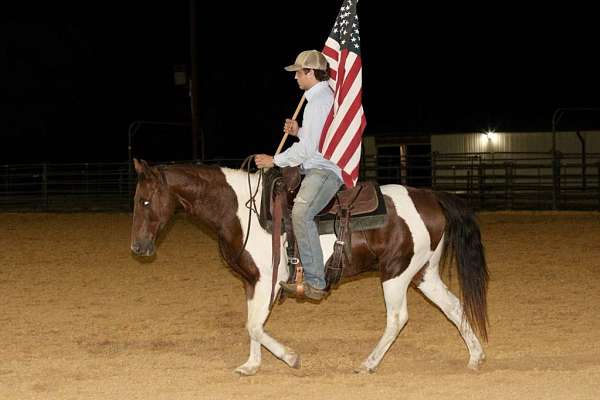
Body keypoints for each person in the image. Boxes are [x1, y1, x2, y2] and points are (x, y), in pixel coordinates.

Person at [254, 49, 343, 301]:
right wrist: (299, 130)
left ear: (310, 72)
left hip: (324, 169)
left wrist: (275, 160)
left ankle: (315, 280)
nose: (295, 78)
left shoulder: (319, 101)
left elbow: (308, 150)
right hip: (316, 164)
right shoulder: (318, 99)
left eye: (298, 73)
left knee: (301, 213)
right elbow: (316, 138)